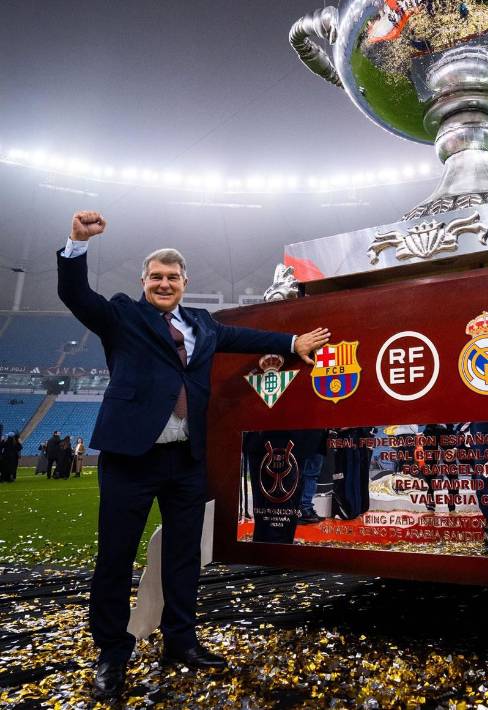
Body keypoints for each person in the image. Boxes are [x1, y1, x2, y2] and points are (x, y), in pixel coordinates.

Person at [57, 209, 330, 699]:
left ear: (185, 282)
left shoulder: (203, 324)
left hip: (186, 460)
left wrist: (292, 342)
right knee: (115, 558)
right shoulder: (121, 315)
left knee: (184, 557)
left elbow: (247, 338)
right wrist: (77, 243)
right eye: (156, 277)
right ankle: (112, 652)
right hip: (129, 458)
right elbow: (76, 295)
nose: (165, 283)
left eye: (173, 277)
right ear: (144, 281)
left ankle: (180, 640)